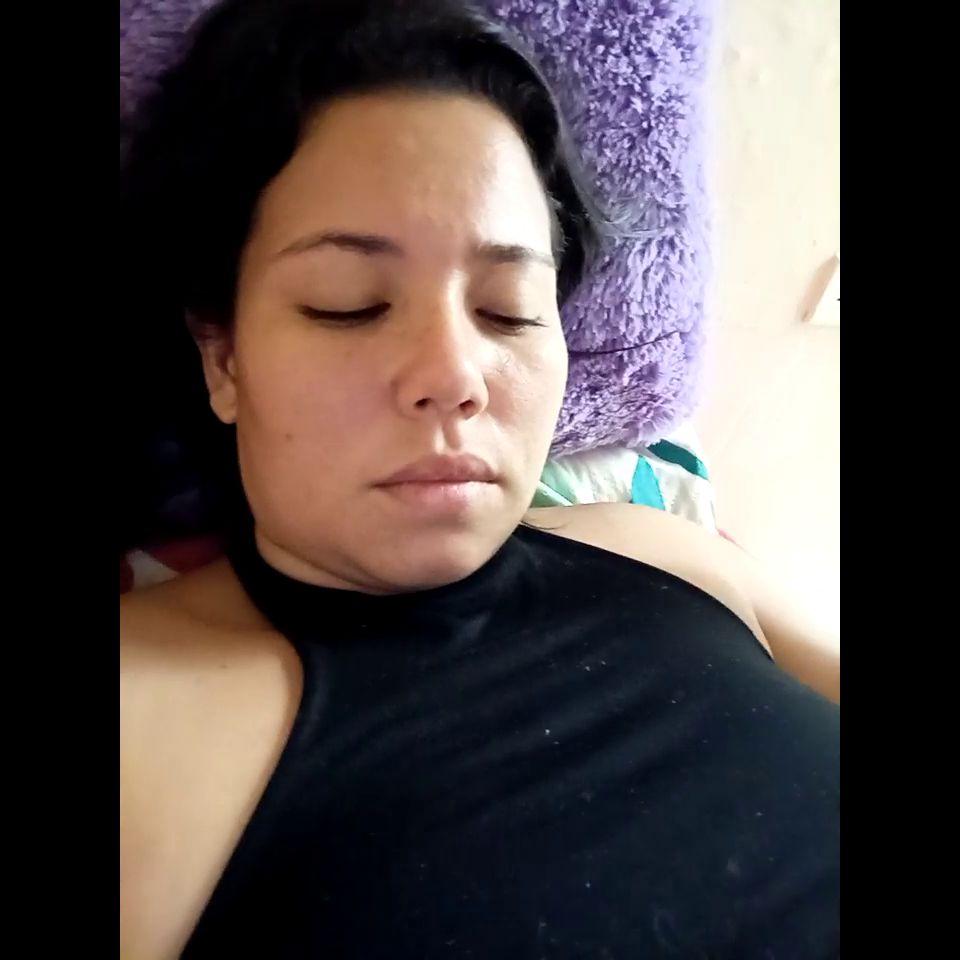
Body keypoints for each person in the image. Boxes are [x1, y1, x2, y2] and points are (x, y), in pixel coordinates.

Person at [119, 1, 840, 956]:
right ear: (224, 358)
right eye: (350, 305)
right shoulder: (140, 712)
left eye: (507, 310)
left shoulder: (669, 551)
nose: (456, 375)